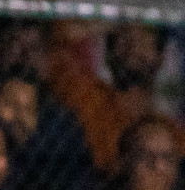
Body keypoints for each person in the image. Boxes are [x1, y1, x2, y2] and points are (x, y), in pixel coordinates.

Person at [47, 22, 185, 176]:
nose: (133, 46)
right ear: (108, 54)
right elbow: (53, 50)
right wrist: (106, 23)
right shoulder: (89, 99)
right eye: (124, 37)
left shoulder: (171, 133)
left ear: (160, 57)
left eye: (144, 40)